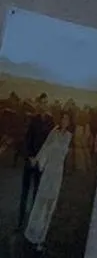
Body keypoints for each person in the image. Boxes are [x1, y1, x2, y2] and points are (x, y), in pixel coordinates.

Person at [24, 113, 72, 249]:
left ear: (69, 123)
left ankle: (41, 238)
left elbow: (64, 155)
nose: (64, 121)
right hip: (48, 171)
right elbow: (45, 148)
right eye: (63, 118)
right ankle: (32, 232)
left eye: (67, 119)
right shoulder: (54, 133)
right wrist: (37, 160)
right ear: (60, 120)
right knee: (41, 201)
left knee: (50, 205)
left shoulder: (69, 136)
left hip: (58, 172)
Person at [18, 96, 53, 229]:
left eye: (46, 103)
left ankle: (32, 222)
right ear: (38, 104)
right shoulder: (33, 119)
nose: (44, 105)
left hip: (41, 162)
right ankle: (20, 221)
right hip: (30, 161)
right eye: (41, 103)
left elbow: (50, 142)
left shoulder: (50, 121)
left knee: (37, 193)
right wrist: (30, 157)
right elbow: (26, 140)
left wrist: (43, 159)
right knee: (25, 192)